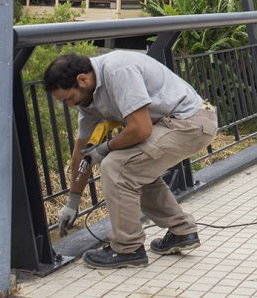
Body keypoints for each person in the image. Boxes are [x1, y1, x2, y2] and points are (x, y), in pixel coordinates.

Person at [44, 51, 218, 269]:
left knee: (116, 167)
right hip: (177, 124)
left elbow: (140, 128)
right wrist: (73, 201)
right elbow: (82, 152)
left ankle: (127, 248)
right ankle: (181, 231)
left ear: (82, 79)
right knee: (134, 168)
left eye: (69, 98)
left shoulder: (117, 70)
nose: (70, 104)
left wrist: (105, 148)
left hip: (190, 122)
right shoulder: (88, 101)